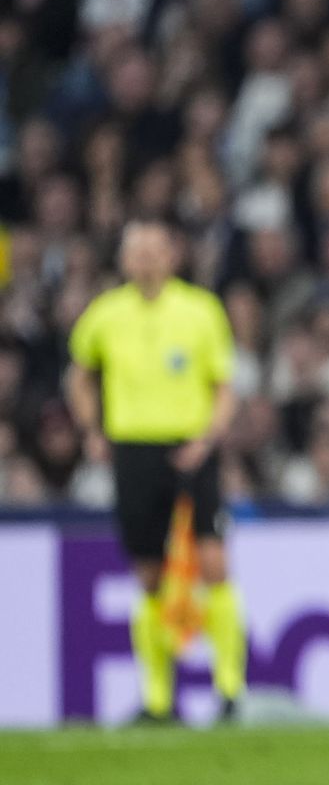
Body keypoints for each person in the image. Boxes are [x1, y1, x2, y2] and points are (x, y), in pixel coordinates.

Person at [65, 218, 244, 724]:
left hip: (190, 447)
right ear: (123, 259)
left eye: (153, 249)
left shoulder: (200, 310)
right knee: (148, 572)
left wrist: (206, 439)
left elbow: (224, 386)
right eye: (136, 250)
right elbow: (80, 374)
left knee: (212, 561)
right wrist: (92, 429)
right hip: (133, 449)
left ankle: (229, 689)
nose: (144, 258)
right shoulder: (105, 314)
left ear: (172, 255)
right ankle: (158, 699)